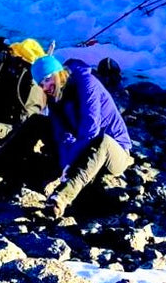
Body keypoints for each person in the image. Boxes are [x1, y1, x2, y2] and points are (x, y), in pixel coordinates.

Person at [30, 53, 133, 219]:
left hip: (116, 153)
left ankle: (61, 198)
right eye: (41, 84)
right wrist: (66, 164)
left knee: (103, 141)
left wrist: (71, 163)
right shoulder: (54, 97)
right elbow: (62, 135)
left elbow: (91, 130)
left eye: (48, 79)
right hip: (86, 149)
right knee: (37, 122)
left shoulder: (87, 83)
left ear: (58, 72)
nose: (45, 87)